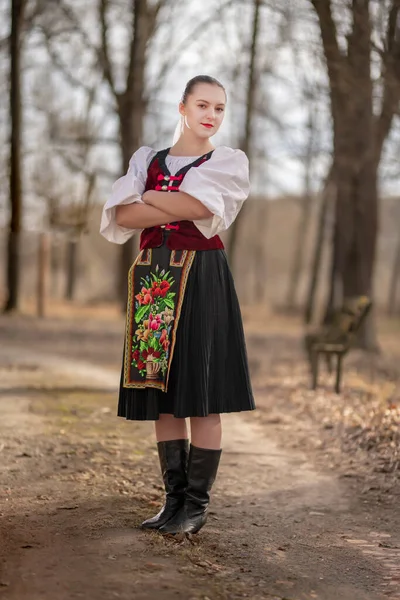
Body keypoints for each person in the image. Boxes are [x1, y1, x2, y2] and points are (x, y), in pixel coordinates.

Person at [100, 75, 255, 535]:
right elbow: (122, 216)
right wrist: (174, 203)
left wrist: (150, 197)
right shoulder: (147, 159)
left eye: (220, 108)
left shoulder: (227, 162)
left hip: (203, 276)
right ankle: (172, 503)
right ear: (182, 107)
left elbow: (202, 207)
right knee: (162, 395)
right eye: (203, 105)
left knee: (202, 396)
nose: (212, 115)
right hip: (155, 279)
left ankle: (196, 507)